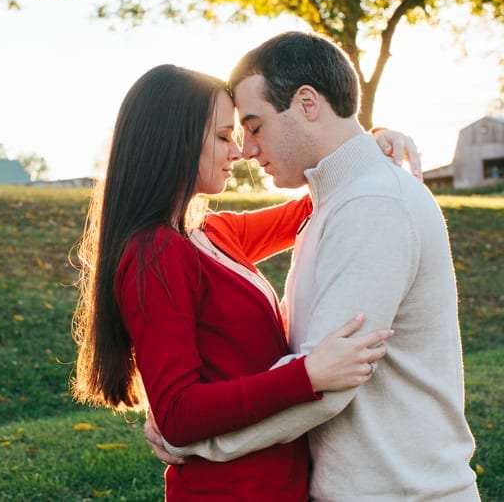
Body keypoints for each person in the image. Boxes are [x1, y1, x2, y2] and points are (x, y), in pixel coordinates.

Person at [149, 32, 480, 501]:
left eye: (255, 126)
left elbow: (325, 387)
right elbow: (308, 362)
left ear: (306, 103)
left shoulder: (373, 204)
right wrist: (185, 410)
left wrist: (198, 440)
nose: (246, 150)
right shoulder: (333, 204)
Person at [71, 63, 417, 500]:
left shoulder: (215, 234)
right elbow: (178, 413)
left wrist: (368, 144)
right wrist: (307, 374)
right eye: (222, 137)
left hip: (280, 485)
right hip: (227, 491)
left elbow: (319, 203)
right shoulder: (154, 253)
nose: (239, 152)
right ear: (173, 140)